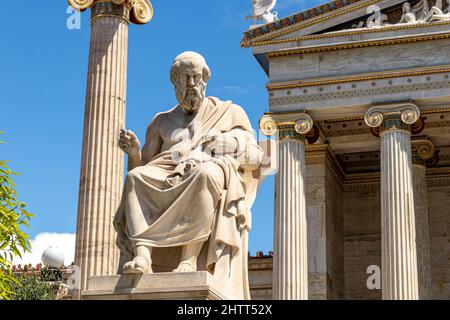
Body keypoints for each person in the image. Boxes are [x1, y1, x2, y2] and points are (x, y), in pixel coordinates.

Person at [113, 51, 263, 299]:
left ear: (205, 78)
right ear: (175, 83)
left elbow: (256, 156)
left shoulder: (229, 112)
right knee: (135, 178)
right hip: (166, 172)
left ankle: (189, 258)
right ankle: (143, 253)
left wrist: (225, 143)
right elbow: (143, 167)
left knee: (204, 174)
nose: (192, 85)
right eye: (185, 79)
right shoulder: (161, 122)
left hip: (205, 170)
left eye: (196, 78)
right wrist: (133, 152)